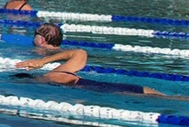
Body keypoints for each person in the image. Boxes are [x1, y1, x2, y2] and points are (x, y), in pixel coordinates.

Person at [15, 23, 166, 96]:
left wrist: (42, 61)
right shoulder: (59, 72)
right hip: (128, 87)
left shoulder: (52, 77)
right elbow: (80, 52)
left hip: (121, 92)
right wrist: (42, 62)